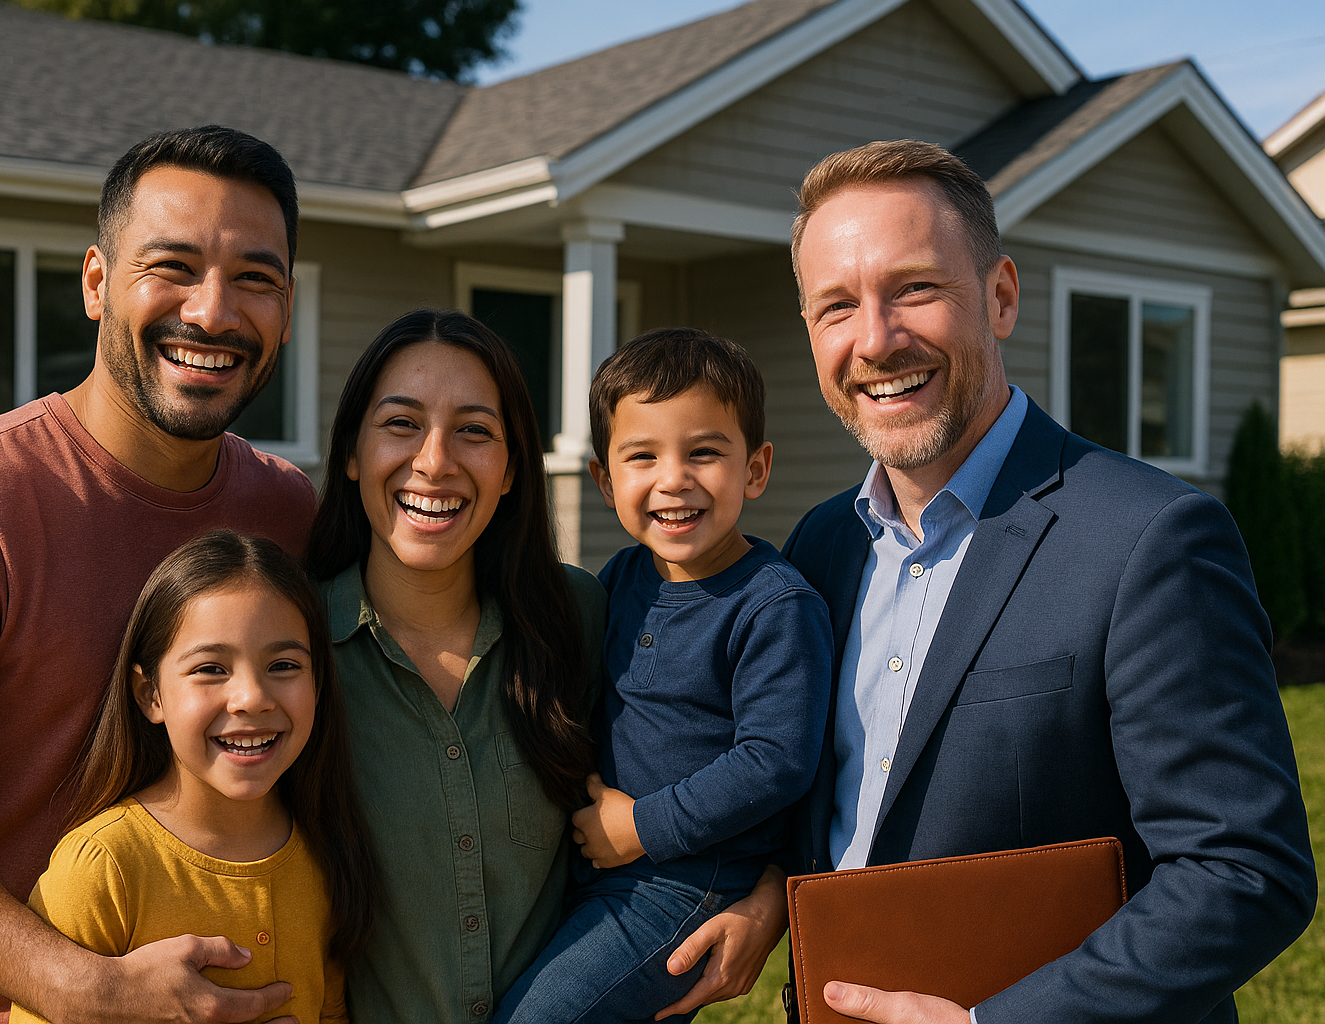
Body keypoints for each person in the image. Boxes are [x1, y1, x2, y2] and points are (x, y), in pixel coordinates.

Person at [775, 139, 1315, 1023]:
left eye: (915, 289)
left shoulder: (1149, 538)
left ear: (1000, 295)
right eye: (837, 306)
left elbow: (1246, 871)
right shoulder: (821, 547)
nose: (875, 339)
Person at [0, 126, 315, 1024]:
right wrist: (89, 989)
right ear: (96, 283)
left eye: (256, 278)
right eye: (172, 265)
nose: (212, 313)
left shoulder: (289, 517)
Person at [307, 308, 788, 1024]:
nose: (435, 461)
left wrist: (769, 900)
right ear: (351, 452)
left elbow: (760, 742)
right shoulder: (294, 647)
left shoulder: (580, 615)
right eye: (401, 423)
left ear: (510, 471)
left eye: (475, 430)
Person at [490, 327, 831, 1024]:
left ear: (756, 469)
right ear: (604, 479)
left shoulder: (773, 604)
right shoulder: (621, 579)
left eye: (704, 452)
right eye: (642, 456)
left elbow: (776, 760)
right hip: (603, 870)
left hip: (690, 881)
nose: (673, 478)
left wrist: (644, 825)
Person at [10, 530, 377, 1024]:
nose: (251, 697)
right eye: (210, 668)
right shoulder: (102, 869)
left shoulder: (325, 849)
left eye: (284, 665)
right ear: (150, 695)